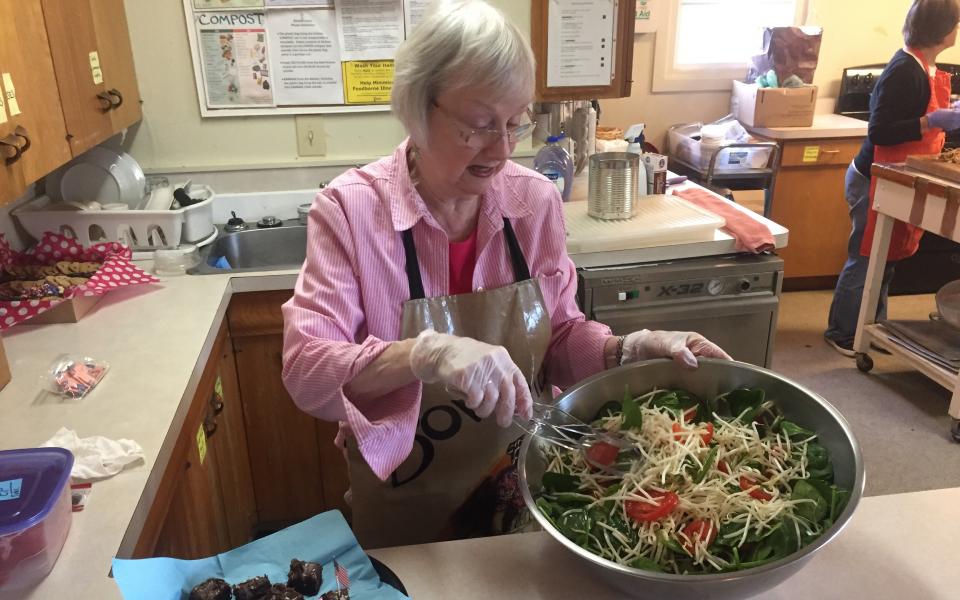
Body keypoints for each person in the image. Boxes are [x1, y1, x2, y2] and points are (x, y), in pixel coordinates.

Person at [281, 0, 730, 549]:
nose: (500, 150)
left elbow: (560, 336)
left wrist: (630, 349)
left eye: (515, 123)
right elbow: (306, 370)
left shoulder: (533, 201)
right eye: (478, 125)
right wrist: (427, 354)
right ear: (417, 110)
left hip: (526, 481)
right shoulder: (349, 212)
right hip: (409, 499)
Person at [825, 0, 960, 356]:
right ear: (943, 30)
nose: (958, 31)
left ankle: (871, 327)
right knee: (867, 257)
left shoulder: (923, 66)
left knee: (886, 259)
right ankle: (842, 331)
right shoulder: (904, 70)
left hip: (894, 178)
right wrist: (931, 121)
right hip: (872, 178)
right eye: (956, 24)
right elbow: (881, 131)